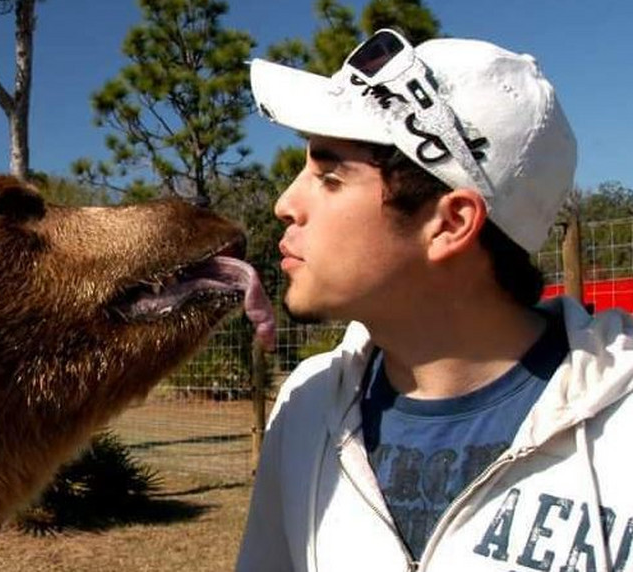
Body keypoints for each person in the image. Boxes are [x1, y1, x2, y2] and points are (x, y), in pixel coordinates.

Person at [236, 28, 633, 571]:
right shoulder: (307, 404)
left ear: (450, 223)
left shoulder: (620, 428)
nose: (285, 203)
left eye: (329, 177)